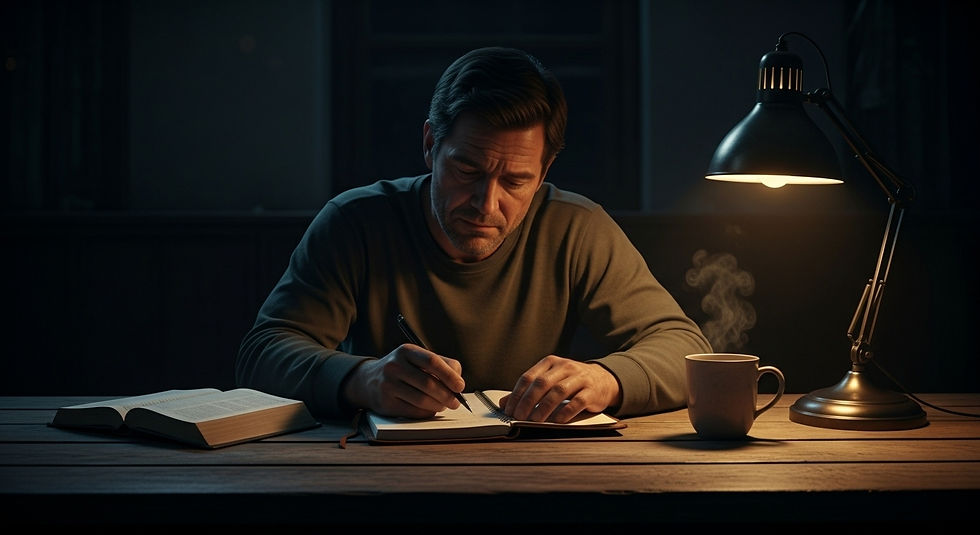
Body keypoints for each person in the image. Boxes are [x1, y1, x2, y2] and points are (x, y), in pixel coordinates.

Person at [236, 46, 712, 424]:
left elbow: (684, 348)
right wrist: (363, 378)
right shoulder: (354, 222)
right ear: (430, 145)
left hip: (540, 471)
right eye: (467, 171)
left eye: (516, 181)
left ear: (545, 171)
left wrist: (606, 379)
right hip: (378, 471)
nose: (486, 204)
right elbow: (262, 354)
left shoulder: (576, 228)